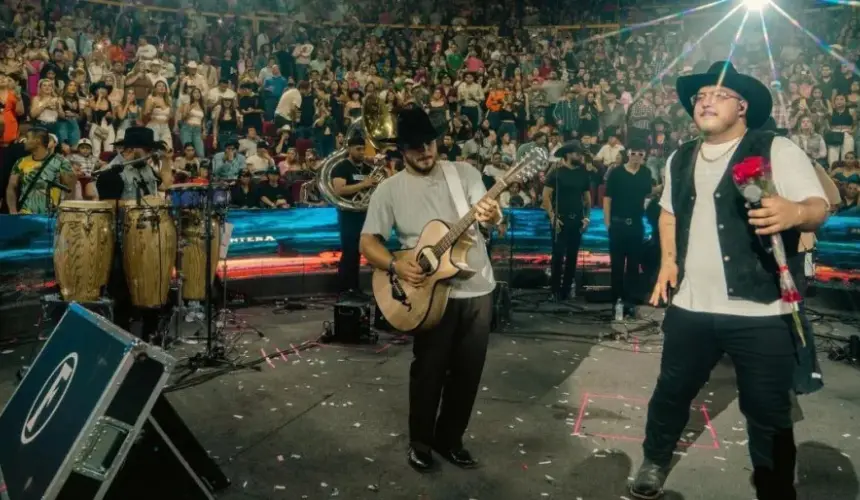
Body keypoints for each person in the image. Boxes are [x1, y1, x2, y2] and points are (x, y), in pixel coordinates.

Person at [630, 62, 830, 500]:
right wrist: (668, 263)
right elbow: (668, 213)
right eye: (700, 95)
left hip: (761, 310)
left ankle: (774, 487)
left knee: (768, 413)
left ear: (742, 106)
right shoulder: (680, 157)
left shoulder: (775, 148)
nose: (705, 100)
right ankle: (655, 460)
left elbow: (819, 205)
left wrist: (795, 213)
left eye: (717, 94)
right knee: (671, 393)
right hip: (692, 308)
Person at [359, 106, 503, 473]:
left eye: (430, 143)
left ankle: (450, 439)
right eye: (415, 146)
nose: (425, 151)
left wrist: (493, 214)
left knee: (468, 373)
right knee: (429, 371)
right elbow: (368, 242)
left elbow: (490, 212)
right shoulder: (390, 190)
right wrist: (395, 264)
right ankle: (421, 442)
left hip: (476, 288)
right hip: (425, 293)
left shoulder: (464, 174)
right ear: (401, 150)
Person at [92, 127, 174, 342]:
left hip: (146, 238)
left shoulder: (146, 169)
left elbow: (166, 186)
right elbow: (107, 205)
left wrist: (165, 162)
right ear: (130, 149)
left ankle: (151, 333)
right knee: (123, 289)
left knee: (151, 283)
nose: (149, 153)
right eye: (145, 149)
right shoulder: (111, 173)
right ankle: (123, 336)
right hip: (122, 239)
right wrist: (141, 204)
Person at [603, 139, 655, 318]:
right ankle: (616, 300)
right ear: (627, 154)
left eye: (640, 154)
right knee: (617, 265)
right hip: (618, 224)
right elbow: (607, 198)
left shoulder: (646, 173)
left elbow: (648, 194)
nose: (636, 157)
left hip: (636, 225)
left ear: (644, 156)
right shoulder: (616, 173)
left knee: (633, 265)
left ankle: (630, 302)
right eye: (633, 153)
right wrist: (608, 223)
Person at [541, 141, 591, 300]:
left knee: (572, 256)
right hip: (560, 219)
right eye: (577, 153)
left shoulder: (583, 174)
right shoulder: (556, 173)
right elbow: (546, 198)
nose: (580, 156)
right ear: (568, 154)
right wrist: (553, 217)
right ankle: (554, 290)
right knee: (557, 255)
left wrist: (587, 218)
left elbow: (587, 200)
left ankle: (567, 289)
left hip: (576, 219)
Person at [331, 135, 376, 294]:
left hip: (364, 213)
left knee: (358, 252)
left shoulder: (367, 168)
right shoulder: (341, 167)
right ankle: (345, 288)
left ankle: (355, 287)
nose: (362, 152)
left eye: (363, 149)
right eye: (358, 149)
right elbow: (339, 190)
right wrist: (363, 184)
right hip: (348, 214)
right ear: (349, 149)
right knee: (349, 251)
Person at [6, 127, 75, 214]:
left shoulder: (61, 162)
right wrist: (13, 211)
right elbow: (11, 187)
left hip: (50, 217)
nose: (25, 141)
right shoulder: (21, 162)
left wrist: (63, 212)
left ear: (37, 141)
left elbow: (70, 189)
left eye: (28, 138)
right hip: (25, 215)